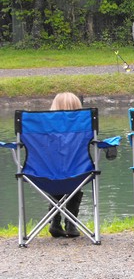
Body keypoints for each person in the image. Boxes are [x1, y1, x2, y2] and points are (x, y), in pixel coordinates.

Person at [48, 92, 84, 238]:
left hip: (45, 174)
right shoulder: (83, 127)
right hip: (76, 173)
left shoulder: (44, 128)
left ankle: (55, 222)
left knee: (54, 179)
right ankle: (71, 224)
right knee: (74, 176)